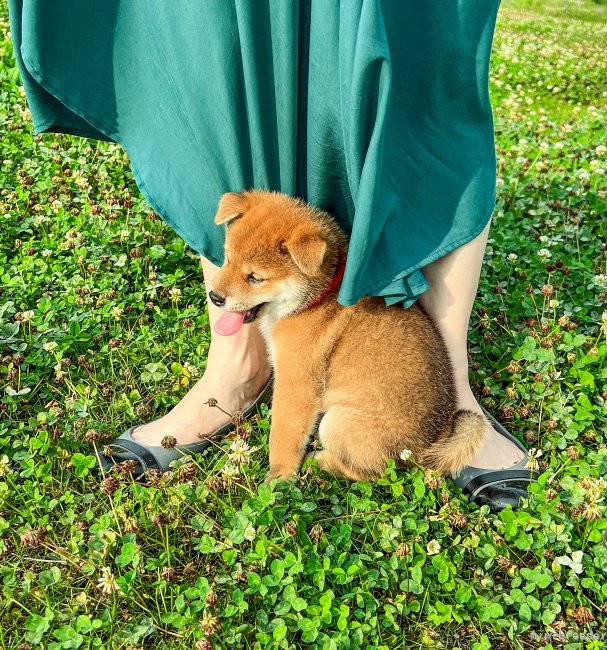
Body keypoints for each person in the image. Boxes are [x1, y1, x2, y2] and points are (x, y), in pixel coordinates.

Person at [9, 0, 537, 509]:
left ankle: (452, 387)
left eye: (254, 278)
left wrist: (279, 476)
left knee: (425, 75)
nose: (223, 288)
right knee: (224, 68)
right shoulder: (276, 252)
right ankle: (234, 371)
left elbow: (300, 395)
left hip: (367, 406)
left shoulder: (309, 302)